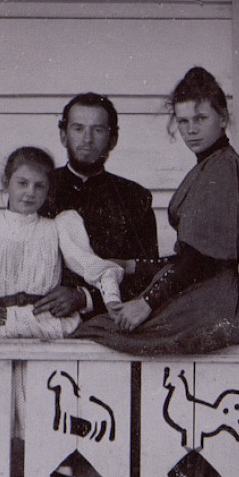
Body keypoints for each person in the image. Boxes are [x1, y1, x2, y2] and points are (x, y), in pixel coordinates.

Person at [75, 67, 239, 354]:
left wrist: (147, 303)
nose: (190, 129)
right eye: (182, 121)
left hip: (212, 299)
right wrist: (132, 265)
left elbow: (201, 259)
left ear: (223, 119)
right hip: (204, 291)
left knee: (96, 329)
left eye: (200, 118)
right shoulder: (210, 165)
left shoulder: (223, 168)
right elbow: (194, 253)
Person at [0, 147, 124, 338]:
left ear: (49, 190)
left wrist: (112, 300)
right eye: (22, 183)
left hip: (46, 326)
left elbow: (96, 268)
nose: (30, 192)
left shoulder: (57, 228)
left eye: (39, 186)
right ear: (6, 183)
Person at [38, 93, 159, 316]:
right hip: (45, 317)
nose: (87, 139)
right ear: (63, 135)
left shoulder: (134, 197)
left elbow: (146, 276)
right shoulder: (38, 190)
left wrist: (86, 298)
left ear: (113, 139)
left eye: (98, 130)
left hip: (110, 319)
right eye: (78, 128)